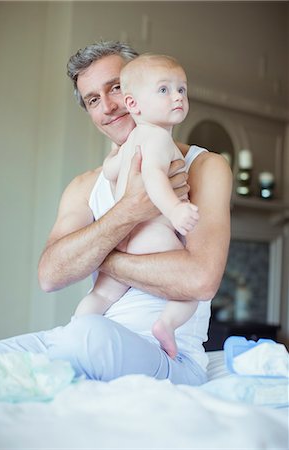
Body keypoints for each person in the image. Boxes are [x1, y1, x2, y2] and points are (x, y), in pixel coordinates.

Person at [0, 41, 232, 386]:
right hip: (94, 335)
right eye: (92, 99)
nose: (108, 107)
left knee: (86, 334)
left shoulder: (204, 166)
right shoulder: (85, 186)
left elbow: (200, 280)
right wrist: (130, 209)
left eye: (115, 87)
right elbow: (51, 274)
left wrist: (99, 257)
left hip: (167, 354)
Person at [75, 53, 200, 359]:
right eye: (164, 90)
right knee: (190, 290)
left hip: (121, 240)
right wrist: (174, 210)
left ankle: (77, 327)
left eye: (181, 89)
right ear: (135, 103)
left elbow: (110, 172)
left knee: (101, 294)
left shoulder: (131, 143)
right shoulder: (158, 138)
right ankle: (166, 325)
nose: (177, 98)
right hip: (151, 234)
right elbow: (155, 176)